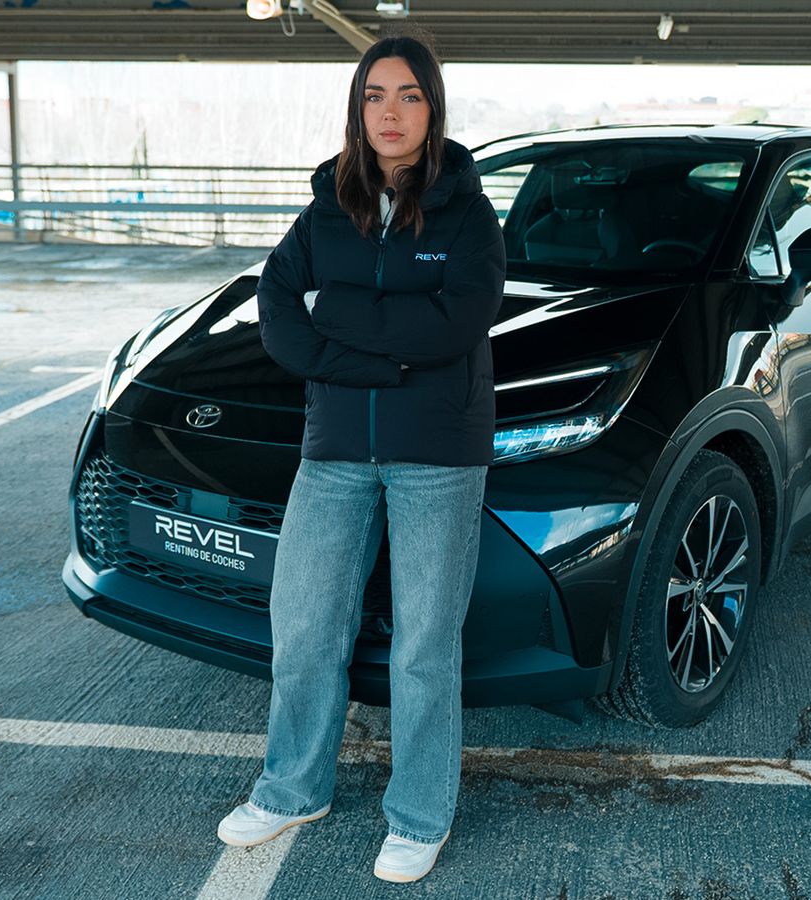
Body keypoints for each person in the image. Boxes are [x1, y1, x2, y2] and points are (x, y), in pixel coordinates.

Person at [214, 34, 506, 884]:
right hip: (336, 447)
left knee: (423, 647)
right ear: (357, 108)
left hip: (437, 453)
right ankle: (292, 789)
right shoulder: (325, 208)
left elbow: (458, 323)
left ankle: (419, 815)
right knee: (303, 628)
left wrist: (336, 314)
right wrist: (386, 360)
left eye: (409, 95)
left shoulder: (468, 214)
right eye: (375, 95)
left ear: (432, 108)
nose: (390, 112)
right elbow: (278, 310)